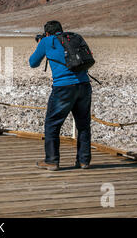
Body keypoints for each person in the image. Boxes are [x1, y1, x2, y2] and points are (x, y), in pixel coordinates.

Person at [29, 21, 92, 171]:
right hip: (84, 84)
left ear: (47, 33)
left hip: (63, 88)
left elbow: (33, 63)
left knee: (52, 124)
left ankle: (51, 161)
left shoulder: (46, 41)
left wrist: (41, 43)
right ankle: (83, 161)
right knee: (83, 124)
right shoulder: (73, 38)